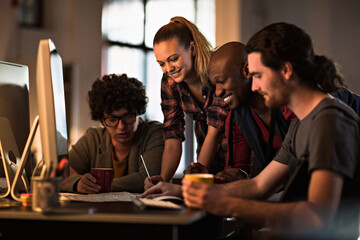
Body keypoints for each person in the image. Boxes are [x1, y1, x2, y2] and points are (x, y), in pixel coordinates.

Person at [182, 22, 360, 239]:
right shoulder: (300, 124)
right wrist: (192, 193)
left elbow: (317, 217)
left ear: (285, 70)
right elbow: (259, 185)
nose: (254, 86)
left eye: (258, 75)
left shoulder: (329, 121)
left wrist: (229, 205)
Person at [144, 16, 228, 190]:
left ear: (192, 48)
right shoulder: (169, 82)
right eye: (161, 63)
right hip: (205, 155)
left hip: (236, 155)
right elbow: (172, 135)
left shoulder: (217, 69)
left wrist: (196, 181)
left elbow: (215, 130)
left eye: (174, 59)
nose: (168, 69)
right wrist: (162, 182)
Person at [60, 74, 164, 193]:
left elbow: (147, 179)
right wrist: (77, 183)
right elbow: (58, 174)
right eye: (112, 119)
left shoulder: (154, 133)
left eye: (128, 116)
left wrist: (98, 186)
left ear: (138, 112)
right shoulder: (93, 138)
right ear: (102, 120)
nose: (121, 127)